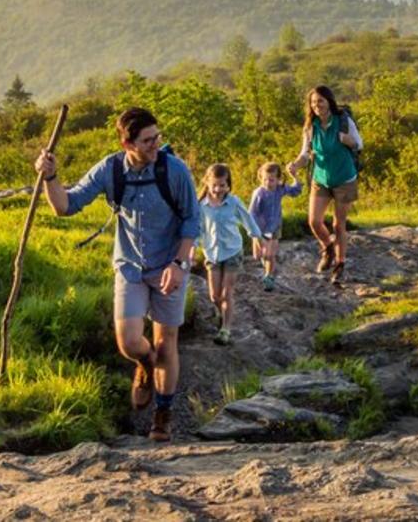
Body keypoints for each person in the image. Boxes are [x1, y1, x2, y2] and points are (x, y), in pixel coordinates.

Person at [35, 107, 199, 442]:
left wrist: (179, 264)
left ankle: (163, 414)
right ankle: (145, 365)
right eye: (148, 140)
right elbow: (65, 206)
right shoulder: (110, 169)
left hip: (169, 264)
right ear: (127, 143)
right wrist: (51, 177)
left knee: (166, 341)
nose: (156, 145)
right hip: (130, 267)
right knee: (128, 342)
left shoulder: (175, 171)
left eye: (158, 137)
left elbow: (191, 221)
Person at [290, 85, 362, 285]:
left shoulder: (344, 121)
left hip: (345, 178)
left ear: (329, 101)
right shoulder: (310, 126)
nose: (316, 105)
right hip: (320, 178)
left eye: (320, 101)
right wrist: (296, 164)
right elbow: (306, 154)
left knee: (339, 224)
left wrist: (349, 141)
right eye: (313, 102)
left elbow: (359, 145)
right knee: (314, 221)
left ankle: (340, 263)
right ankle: (328, 248)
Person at [197, 163, 266, 346]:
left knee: (227, 293)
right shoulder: (201, 206)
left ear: (228, 185)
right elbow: (198, 228)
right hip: (212, 253)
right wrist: (191, 248)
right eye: (215, 185)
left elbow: (247, 219)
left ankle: (226, 329)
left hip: (232, 252)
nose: (219, 189)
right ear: (208, 183)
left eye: (223, 185)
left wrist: (257, 238)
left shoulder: (233, 202)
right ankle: (220, 313)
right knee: (214, 295)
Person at [248, 162, 303, 291]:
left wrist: (295, 177)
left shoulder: (280, 189)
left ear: (278, 179)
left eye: (271, 180)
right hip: (260, 228)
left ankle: (269, 277)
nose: (268, 182)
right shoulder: (259, 193)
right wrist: (255, 234)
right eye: (265, 179)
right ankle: (263, 257)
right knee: (259, 256)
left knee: (271, 255)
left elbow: (295, 191)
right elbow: (252, 213)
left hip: (275, 226)